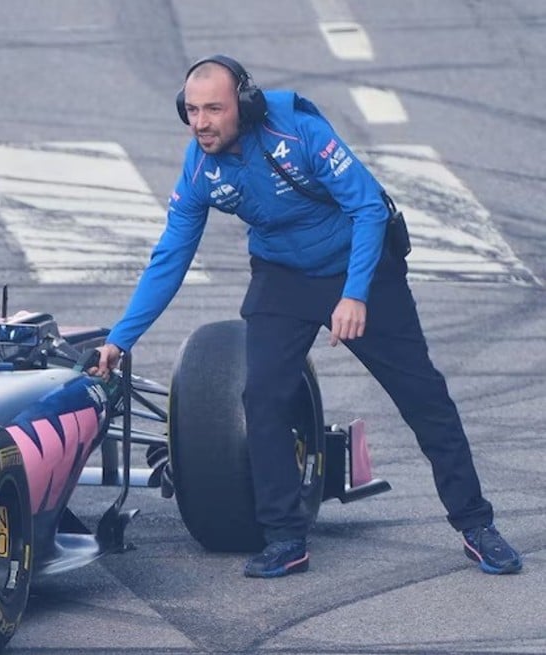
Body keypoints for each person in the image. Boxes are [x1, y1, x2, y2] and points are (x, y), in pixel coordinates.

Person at [89, 55, 522, 578]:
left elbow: (367, 209)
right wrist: (122, 337)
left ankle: (477, 525)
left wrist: (355, 294)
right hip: (283, 275)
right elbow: (171, 256)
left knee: (424, 398)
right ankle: (285, 538)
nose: (200, 123)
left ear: (244, 105)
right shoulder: (199, 168)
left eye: (214, 109)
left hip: (360, 265)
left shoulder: (300, 133)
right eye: (191, 110)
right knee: (262, 395)